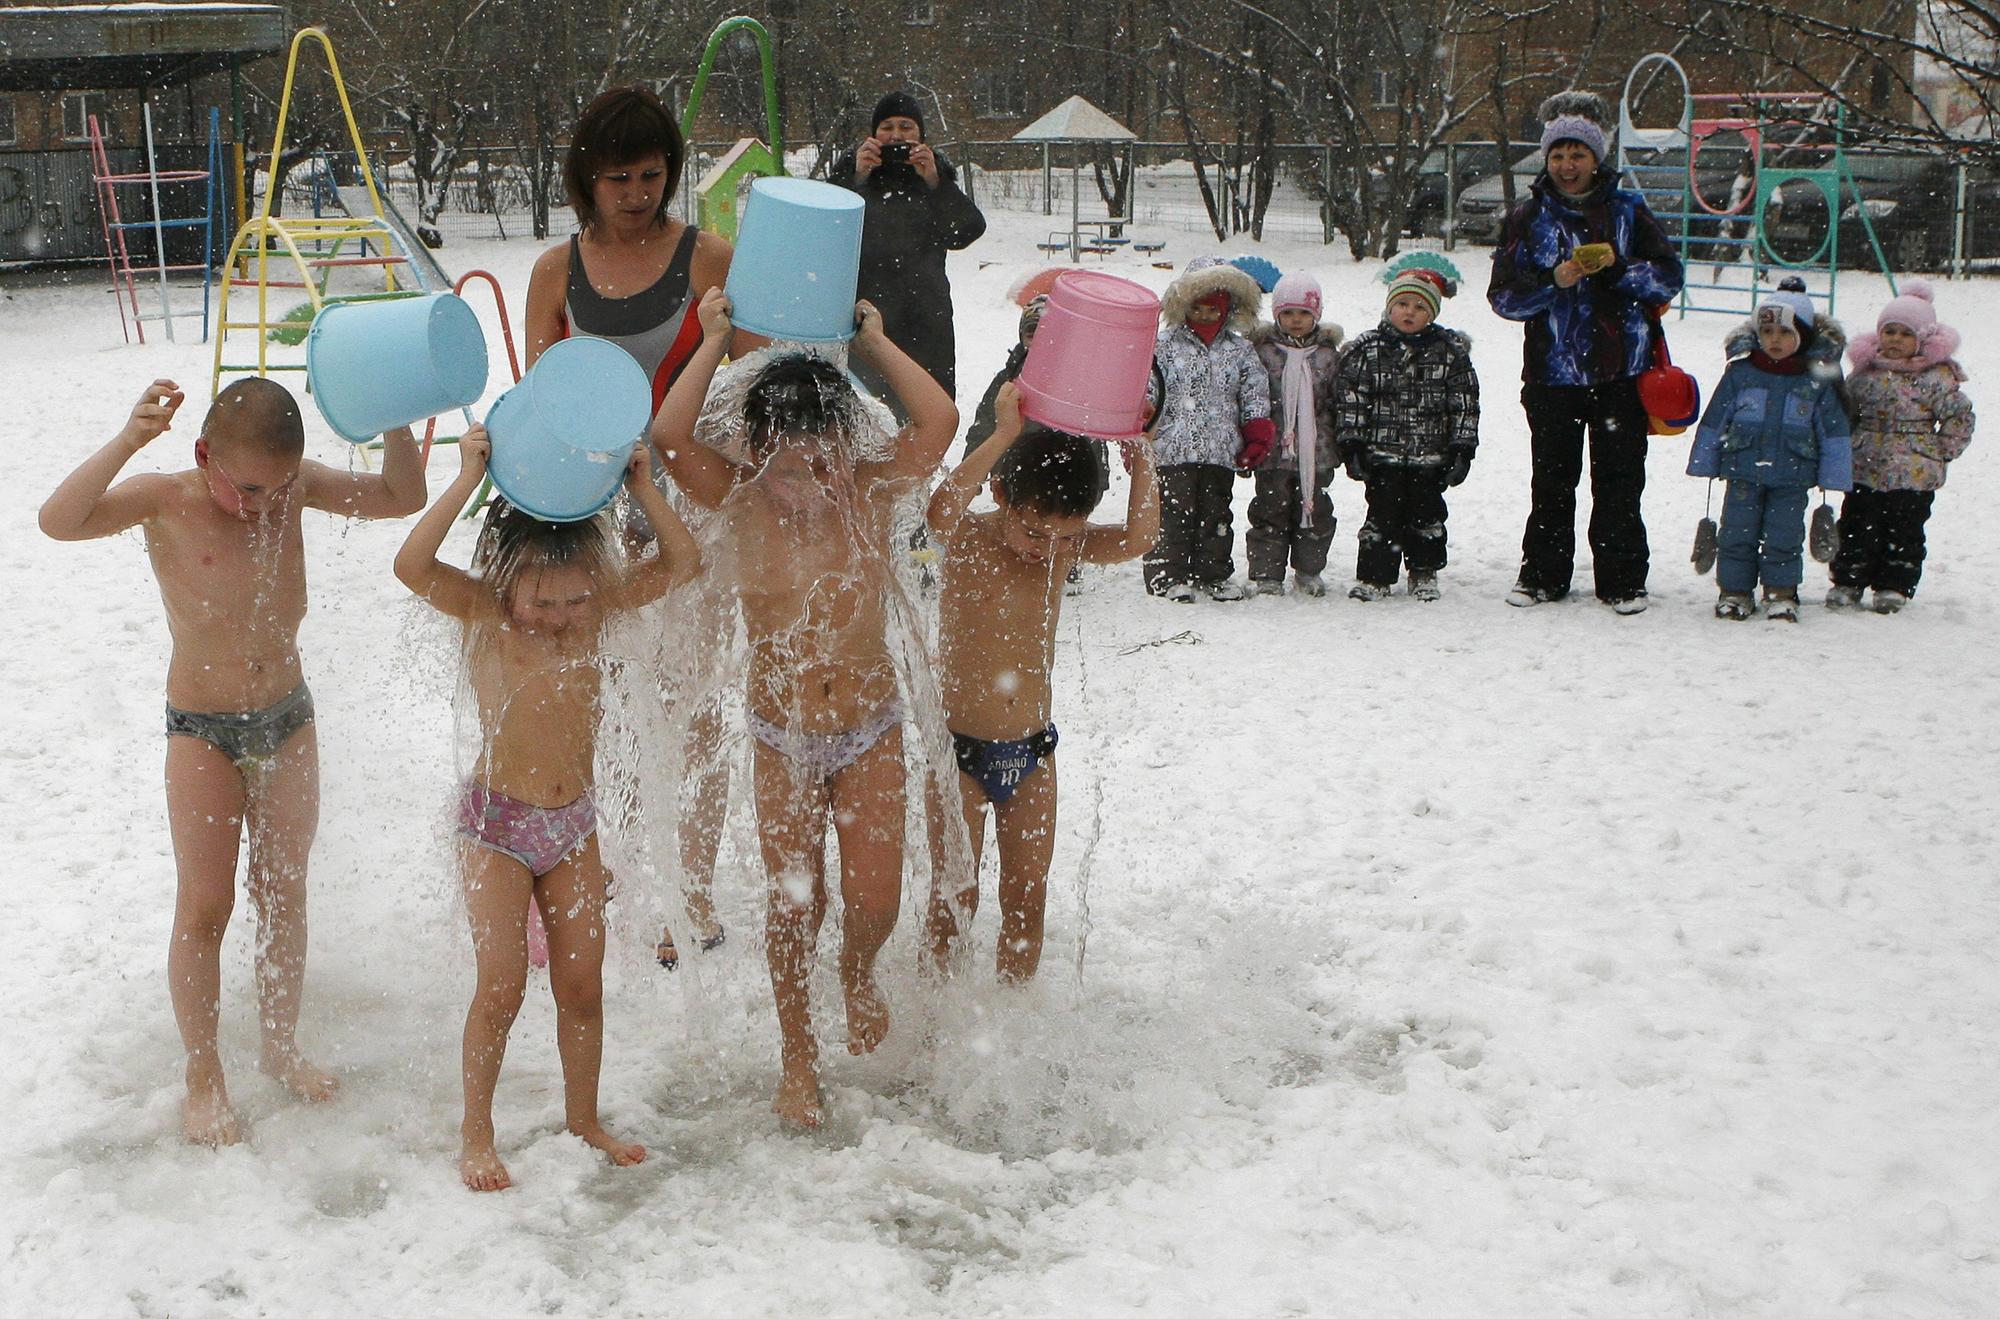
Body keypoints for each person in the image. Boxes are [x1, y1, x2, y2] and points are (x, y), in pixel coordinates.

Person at [38, 377, 426, 1146]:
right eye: (248, 487)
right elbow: (59, 520)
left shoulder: (294, 489)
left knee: (284, 891)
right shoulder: (164, 497)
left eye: (278, 487)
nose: (262, 504)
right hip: (202, 731)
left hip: (288, 719)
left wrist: (391, 418)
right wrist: (127, 440)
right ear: (203, 453)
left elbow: (398, 496)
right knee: (207, 906)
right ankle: (203, 1076)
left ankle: (281, 1048)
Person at [651, 289, 959, 1130]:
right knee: (793, 905)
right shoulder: (740, 501)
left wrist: (877, 344)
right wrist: (711, 340)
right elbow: (671, 439)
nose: (812, 485)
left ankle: (857, 969)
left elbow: (939, 422)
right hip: (780, 738)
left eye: (825, 462)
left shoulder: (869, 492)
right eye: (791, 469)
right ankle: (798, 1062)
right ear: (755, 453)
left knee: (874, 900)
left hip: (871, 729)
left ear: (845, 446)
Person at [393, 429, 702, 1192]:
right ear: (506, 581)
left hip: (572, 830)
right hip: (496, 826)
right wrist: (467, 476)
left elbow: (683, 562)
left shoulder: (597, 614)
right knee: (500, 986)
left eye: (575, 598)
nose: (563, 614)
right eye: (545, 598)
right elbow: (410, 565)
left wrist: (642, 487)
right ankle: (476, 1132)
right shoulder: (485, 614)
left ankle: (584, 1117)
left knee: (583, 986)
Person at [521, 84, 755, 969]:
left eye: (652, 175)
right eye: (617, 177)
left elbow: (752, 390)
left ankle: (687, 895)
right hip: (590, 515)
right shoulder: (555, 273)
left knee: (689, 704)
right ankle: (610, 865)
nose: (636, 194)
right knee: (605, 703)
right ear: (587, 178)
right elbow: (541, 399)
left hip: (690, 507)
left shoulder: (710, 260)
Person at [924, 384, 1158, 982]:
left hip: (1032, 753)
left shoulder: (1065, 547)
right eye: (1033, 532)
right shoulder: (969, 540)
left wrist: (1143, 460)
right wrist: (1001, 436)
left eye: (1065, 537)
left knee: (1027, 898)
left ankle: (1013, 1011)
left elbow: (1137, 540)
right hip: (957, 755)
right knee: (955, 899)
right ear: (1002, 495)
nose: (1045, 550)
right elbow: (939, 510)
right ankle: (940, 1013)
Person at [1488, 90, 1684, 615]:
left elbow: (1669, 278)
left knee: (1620, 483)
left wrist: (1619, 270)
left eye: (1578, 154)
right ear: (1546, 160)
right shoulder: (1527, 217)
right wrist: (1554, 280)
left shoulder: (1627, 211)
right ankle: (1543, 576)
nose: (1567, 164)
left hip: (1621, 371)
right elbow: (1503, 298)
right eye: (1557, 155)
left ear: (1596, 159)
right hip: (1552, 376)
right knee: (1552, 482)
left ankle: (1622, 580)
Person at [1686, 286, 1852, 621]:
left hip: (1792, 474)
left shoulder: (1815, 380)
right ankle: (1734, 591)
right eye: (1766, 331)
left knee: (1784, 535)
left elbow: (1833, 431)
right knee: (1736, 533)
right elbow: (1716, 418)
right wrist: (1705, 459)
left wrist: (1833, 474)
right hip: (1743, 469)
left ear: (1802, 336)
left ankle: (1781, 591)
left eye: (1784, 332)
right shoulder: (1741, 374)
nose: (1774, 339)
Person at [828, 91, 987, 406]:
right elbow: (825, 230)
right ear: (872, 134)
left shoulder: (933, 178)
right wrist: (857, 178)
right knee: (864, 409)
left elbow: (967, 230)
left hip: (925, 317)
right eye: (886, 126)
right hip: (864, 313)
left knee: (928, 407)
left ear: (921, 135)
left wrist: (935, 182)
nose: (896, 135)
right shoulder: (853, 175)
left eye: (906, 126)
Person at [1337, 256, 1480, 601]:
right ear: (1389, 307)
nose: (1409, 312)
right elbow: (1352, 398)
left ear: (1431, 313)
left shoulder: (1449, 352)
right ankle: (1375, 575)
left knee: (1426, 515)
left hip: (1430, 454)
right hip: (1381, 453)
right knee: (1381, 516)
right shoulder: (1367, 350)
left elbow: (1464, 402)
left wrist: (1462, 449)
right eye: (1402, 303)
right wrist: (1352, 445)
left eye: (1419, 306)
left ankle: (1423, 570)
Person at [1828, 281, 1976, 613]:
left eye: (1905, 334)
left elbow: (1958, 416)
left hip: (1915, 469)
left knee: (1904, 530)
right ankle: (1848, 580)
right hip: (1865, 465)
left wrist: (1939, 451)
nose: (1895, 339)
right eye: (1889, 331)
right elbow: (1847, 410)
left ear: (1922, 340)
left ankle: (1895, 583)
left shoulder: (1936, 378)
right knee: (1855, 525)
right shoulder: (1866, 374)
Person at [1144, 255, 1274, 602]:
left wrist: (1256, 435)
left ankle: (1212, 573)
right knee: (1171, 514)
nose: (1204, 317)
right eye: (1197, 309)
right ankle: (1166, 573)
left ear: (1227, 311)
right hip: (1171, 449)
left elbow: (1254, 394)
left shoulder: (1240, 351)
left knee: (1216, 515)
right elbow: (1148, 388)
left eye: (1212, 311)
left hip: (1220, 450)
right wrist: (1141, 425)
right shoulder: (1163, 347)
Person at [1246, 271, 1343, 596]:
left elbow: (1336, 402)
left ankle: (1308, 570)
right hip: (1274, 451)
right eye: (1288, 313)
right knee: (1269, 511)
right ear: (1276, 315)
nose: (1296, 320)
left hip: (1316, 451)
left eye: (1304, 313)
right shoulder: (1263, 353)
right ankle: (1267, 574)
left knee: (1313, 510)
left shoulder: (1329, 357)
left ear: (1316, 314)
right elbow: (1253, 398)